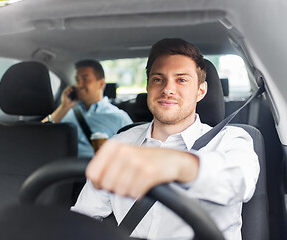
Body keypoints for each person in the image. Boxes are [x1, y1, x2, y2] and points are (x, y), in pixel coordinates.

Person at [71, 38, 259, 240]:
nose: (168, 89)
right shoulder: (119, 144)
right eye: (158, 79)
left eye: (181, 80)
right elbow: (84, 216)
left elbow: (240, 181)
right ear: (148, 86)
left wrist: (179, 165)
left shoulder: (231, 140)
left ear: (201, 91)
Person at [42, 60, 132, 157]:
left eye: (85, 79)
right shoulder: (66, 111)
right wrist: (64, 107)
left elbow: (132, 155)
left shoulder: (119, 118)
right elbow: (37, 135)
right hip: (63, 168)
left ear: (101, 84)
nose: (79, 85)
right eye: (77, 80)